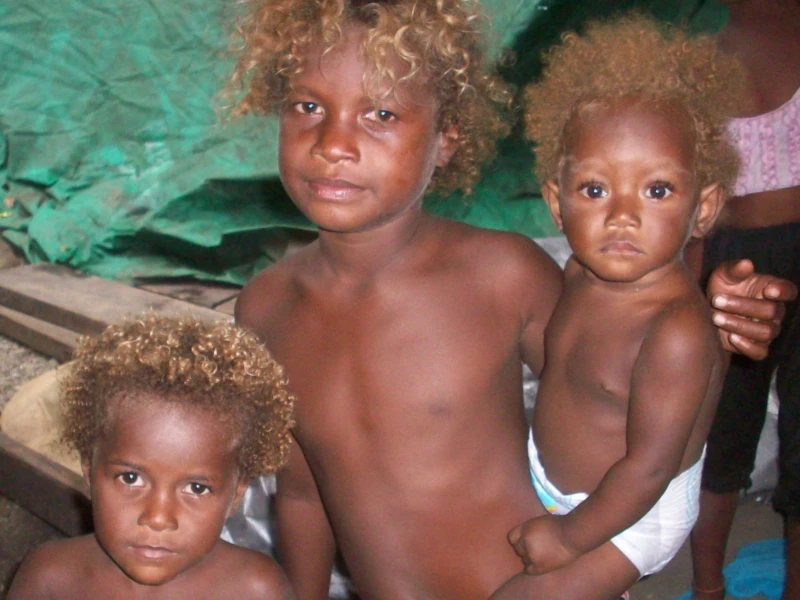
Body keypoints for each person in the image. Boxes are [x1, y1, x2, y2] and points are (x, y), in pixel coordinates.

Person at [225, 1, 796, 598]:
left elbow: (634, 383)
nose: (333, 143)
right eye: (308, 106)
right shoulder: (265, 307)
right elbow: (301, 492)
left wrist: (714, 326)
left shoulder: (500, 274)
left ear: (447, 139)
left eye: (381, 113)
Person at [496, 12, 740, 599]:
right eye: (595, 189)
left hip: (632, 514)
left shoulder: (675, 332)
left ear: (704, 209)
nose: (622, 215)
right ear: (558, 204)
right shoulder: (578, 272)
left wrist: (570, 537)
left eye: (657, 190)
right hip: (556, 484)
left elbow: (649, 468)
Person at [7, 314, 297, 600]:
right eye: (131, 478)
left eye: (197, 488)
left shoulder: (255, 590)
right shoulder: (49, 580)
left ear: (237, 494)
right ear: (88, 470)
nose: (158, 518)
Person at [687, 2, 800, 599]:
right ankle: (710, 587)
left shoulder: (709, 47)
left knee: (740, 427)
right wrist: (687, 293)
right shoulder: (700, 48)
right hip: (727, 258)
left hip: (735, 250)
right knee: (722, 426)